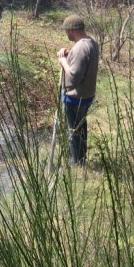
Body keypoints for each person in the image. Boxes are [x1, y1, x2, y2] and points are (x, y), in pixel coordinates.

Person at [56, 14, 99, 165]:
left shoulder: (80, 47)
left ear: (72, 30)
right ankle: (80, 159)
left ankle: (75, 163)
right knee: (80, 130)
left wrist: (62, 62)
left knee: (73, 132)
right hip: (86, 96)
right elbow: (80, 64)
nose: (66, 34)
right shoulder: (91, 42)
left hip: (75, 98)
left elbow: (74, 77)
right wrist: (68, 55)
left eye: (66, 31)